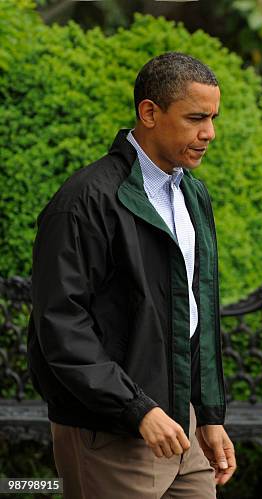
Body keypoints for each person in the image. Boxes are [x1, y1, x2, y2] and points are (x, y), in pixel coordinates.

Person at [27, 52, 236, 499]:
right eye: (196, 117)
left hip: (184, 430)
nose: (209, 133)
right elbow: (61, 326)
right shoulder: (83, 201)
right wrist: (137, 408)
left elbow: (197, 313)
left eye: (213, 118)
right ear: (149, 113)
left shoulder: (192, 195)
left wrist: (210, 413)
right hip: (113, 434)